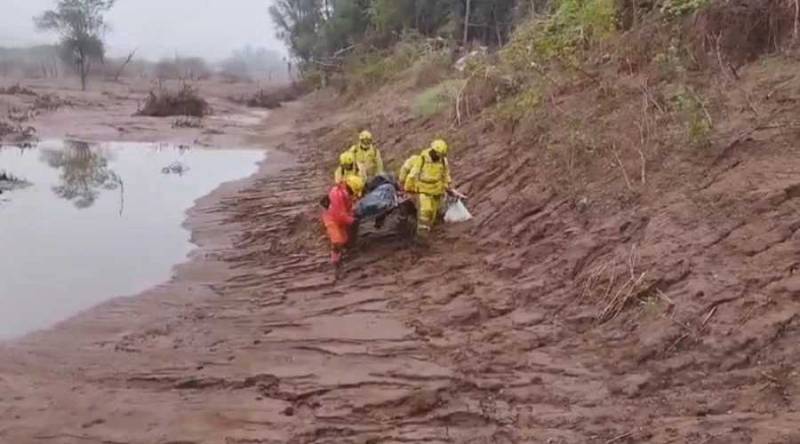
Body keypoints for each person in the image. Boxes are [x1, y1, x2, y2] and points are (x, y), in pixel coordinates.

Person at [404, 139, 452, 237]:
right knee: (426, 211)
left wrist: (447, 185)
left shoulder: (443, 161)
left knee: (432, 216)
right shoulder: (422, 159)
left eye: (441, 155)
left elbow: (445, 174)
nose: (439, 157)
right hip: (424, 190)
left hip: (436, 191)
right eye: (438, 154)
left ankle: (429, 232)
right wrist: (408, 187)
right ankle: (421, 236)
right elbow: (413, 173)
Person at [322, 174, 365, 266]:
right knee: (337, 241)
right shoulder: (337, 194)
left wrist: (352, 215)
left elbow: (347, 209)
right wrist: (352, 220)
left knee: (345, 239)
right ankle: (335, 260)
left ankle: (345, 249)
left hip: (340, 217)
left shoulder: (344, 193)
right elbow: (340, 215)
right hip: (331, 219)